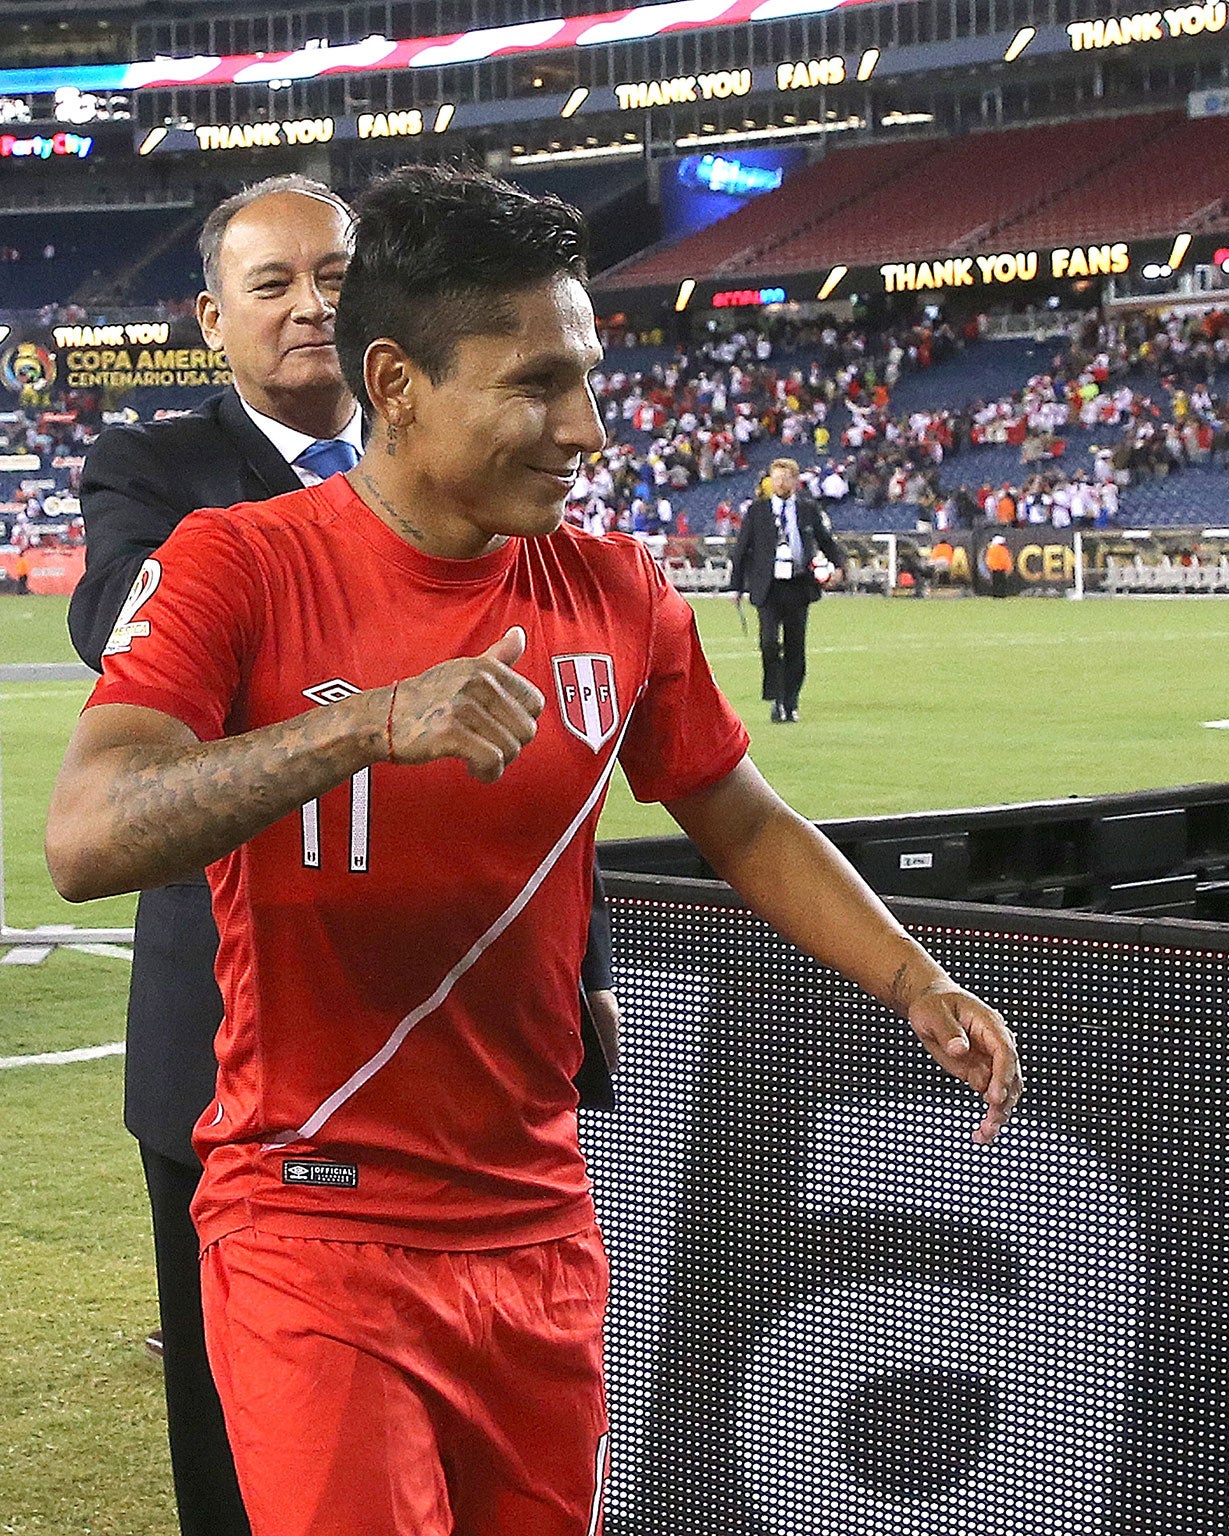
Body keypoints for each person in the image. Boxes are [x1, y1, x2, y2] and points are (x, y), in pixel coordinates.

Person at [45, 164, 1022, 1536]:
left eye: (590, 381)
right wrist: (366, 727)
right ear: (395, 385)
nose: (587, 428)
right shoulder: (236, 565)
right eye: (538, 385)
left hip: (538, 1231)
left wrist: (913, 977)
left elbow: (735, 810)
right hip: (317, 1221)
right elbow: (87, 836)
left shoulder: (620, 591)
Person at [66, 174, 619, 1536]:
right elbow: (115, 634)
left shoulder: (481, 450)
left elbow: (555, 744)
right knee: (237, 1456)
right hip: (236, 1042)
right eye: (275, 284)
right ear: (214, 318)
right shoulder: (168, 478)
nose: (310, 302)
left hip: (469, 1070)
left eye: (335, 273)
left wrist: (589, 957)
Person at [729, 455, 843, 723]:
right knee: (768, 642)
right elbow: (742, 550)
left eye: (785, 477)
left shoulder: (807, 509)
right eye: (776, 478)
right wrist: (735, 587)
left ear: (795, 480)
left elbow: (825, 539)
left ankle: (789, 702)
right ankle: (776, 694)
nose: (780, 482)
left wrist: (838, 565)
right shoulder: (757, 511)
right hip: (768, 587)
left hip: (798, 584)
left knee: (795, 646)